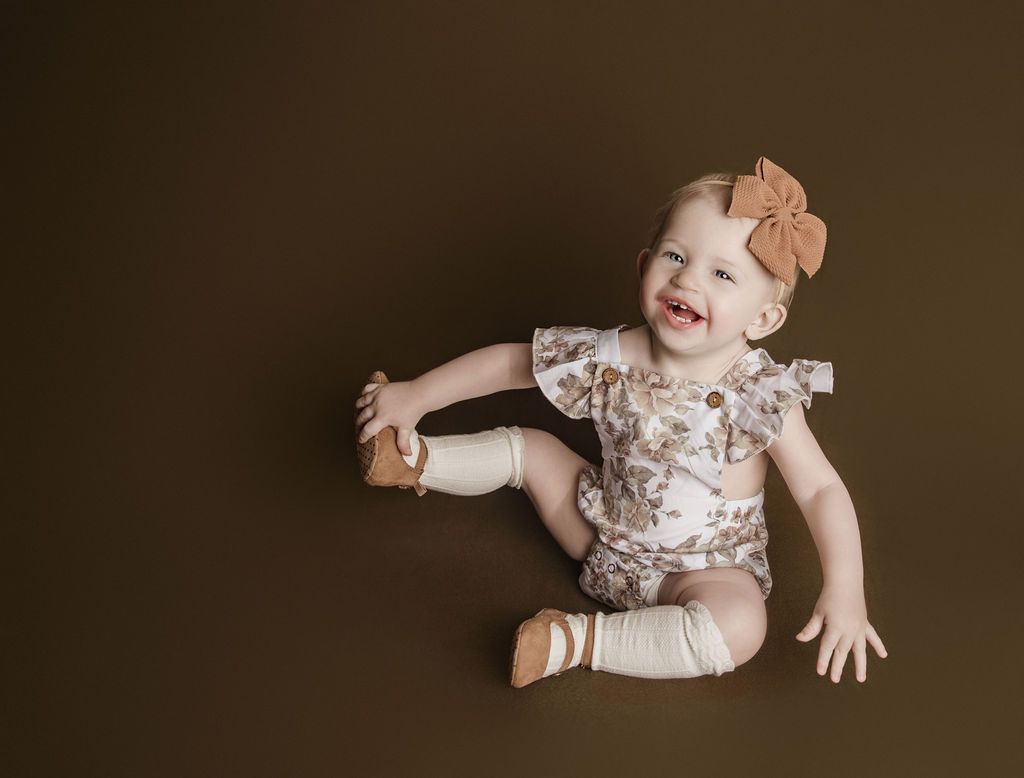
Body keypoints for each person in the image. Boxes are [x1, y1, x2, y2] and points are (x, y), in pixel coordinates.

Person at [354, 156, 888, 688]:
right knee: (534, 450)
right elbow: (512, 363)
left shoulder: (759, 392)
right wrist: (417, 394)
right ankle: (415, 459)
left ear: (763, 319)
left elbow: (819, 488)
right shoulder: (608, 356)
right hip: (595, 528)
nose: (686, 279)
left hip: (699, 572)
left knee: (741, 626)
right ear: (643, 267)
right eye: (675, 256)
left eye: (721, 274)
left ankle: (575, 641)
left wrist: (845, 587)